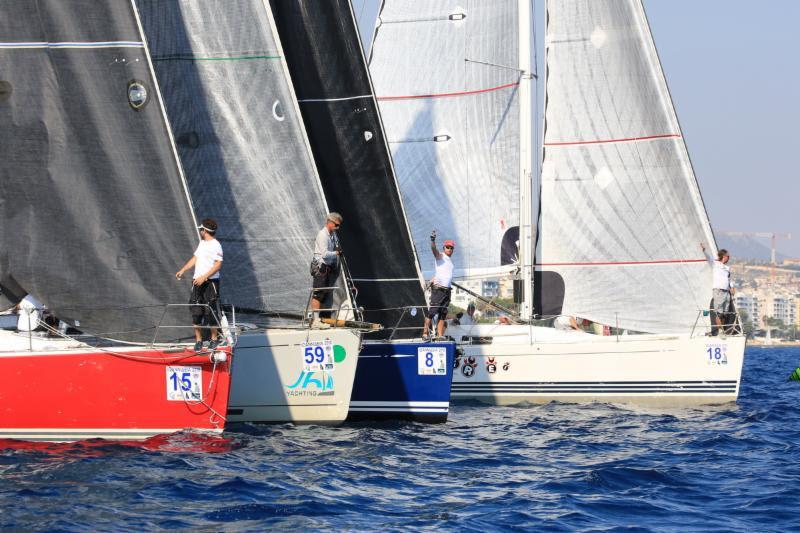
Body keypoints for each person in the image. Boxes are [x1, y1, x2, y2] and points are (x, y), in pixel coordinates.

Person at [176, 219, 223, 352]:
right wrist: (183, 270)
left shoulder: (216, 245)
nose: (200, 232)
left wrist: (204, 277)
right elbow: (195, 258)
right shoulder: (202, 243)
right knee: (196, 312)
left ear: (205, 231)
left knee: (210, 311)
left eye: (201, 230)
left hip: (210, 283)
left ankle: (214, 339)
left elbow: (218, 264)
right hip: (197, 282)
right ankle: (198, 340)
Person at [310, 213, 343, 328]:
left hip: (327, 268)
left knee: (324, 294)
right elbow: (324, 254)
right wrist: (336, 253)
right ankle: (315, 321)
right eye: (336, 225)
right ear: (330, 222)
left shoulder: (332, 234)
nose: (338, 228)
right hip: (320, 268)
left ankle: (321, 319)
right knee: (318, 293)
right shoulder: (322, 235)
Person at [423, 230, 455, 339]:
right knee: (432, 312)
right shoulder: (440, 256)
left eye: (451, 248)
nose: (449, 249)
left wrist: (434, 277)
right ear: (444, 248)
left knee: (443, 314)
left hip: (447, 290)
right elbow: (433, 250)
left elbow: (442, 273)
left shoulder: (450, 261)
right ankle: (425, 333)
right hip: (439, 289)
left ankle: (440, 335)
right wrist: (432, 240)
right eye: (447, 247)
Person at [701, 243, 735, 336]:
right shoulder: (715, 264)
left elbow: (728, 279)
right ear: (724, 256)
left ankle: (722, 330)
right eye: (728, 256)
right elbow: (708, 258)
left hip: (726, 292)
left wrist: (732, 287)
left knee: (724, 313)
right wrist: (704, 250)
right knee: (719, 313)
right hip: (718, 291)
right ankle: (719, 331)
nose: (729, 258)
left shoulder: (727, 268)